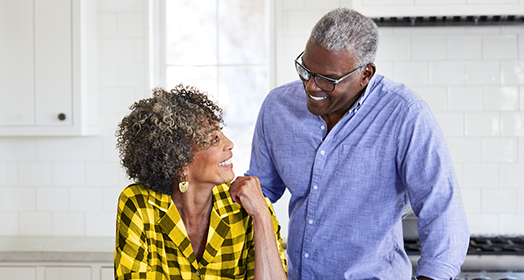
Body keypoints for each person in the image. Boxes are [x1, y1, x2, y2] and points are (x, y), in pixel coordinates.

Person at [246, 8, 470, 280]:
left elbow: (443, 213)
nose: (312, 87)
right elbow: (262, 191)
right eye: (306, 70)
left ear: (366, 74)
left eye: (328, 80)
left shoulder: (406, 115)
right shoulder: (278, 107)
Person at [114, 85, 287, 279]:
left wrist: (262, 215)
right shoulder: (140, 204)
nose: (229, 144)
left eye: (221, 133)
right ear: (179, 161)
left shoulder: (247, 206)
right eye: (214, 139)